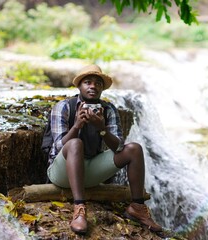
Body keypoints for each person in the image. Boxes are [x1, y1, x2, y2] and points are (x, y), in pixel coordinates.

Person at [47, 64, 162, 235]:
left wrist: (102, 128)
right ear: (79, 86)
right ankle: (79, 208)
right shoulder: (64, 107)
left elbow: (119, 147)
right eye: (88, 82)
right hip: (62, 173)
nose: (93, 86)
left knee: (134, 149)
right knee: (75, 143)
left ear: (102, 89)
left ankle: (137, 207)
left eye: (97, 83)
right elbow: (58, 146)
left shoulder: (108, 110)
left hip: (90, 171)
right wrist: (77, 126)